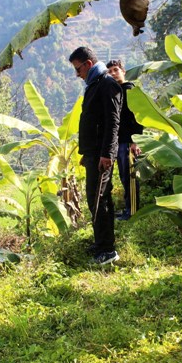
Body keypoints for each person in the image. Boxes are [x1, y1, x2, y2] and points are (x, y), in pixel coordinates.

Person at [71, 46, 121, 265]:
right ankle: (101, 242)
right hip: (94, 154)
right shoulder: (94, 84)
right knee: (94, 199)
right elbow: (92, 122)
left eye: (78, 69)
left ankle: (107, 250)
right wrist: (87, 152)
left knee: (100, 199)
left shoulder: (106, 84)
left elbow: (112, 123)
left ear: (88, 64)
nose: (77, 74)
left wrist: (107, 154)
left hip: (103, 156)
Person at [106, 59, 144, 221]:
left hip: (129, 142)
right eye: (110, 72)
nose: (113, 74)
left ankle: (133, 211)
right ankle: (129, 208)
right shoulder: (117, 92)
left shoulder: (129, 90)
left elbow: (138, 117)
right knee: (124, 176)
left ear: (123, 71)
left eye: (116, 70)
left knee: (130, 177)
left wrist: (136, 141)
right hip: (119, 141)